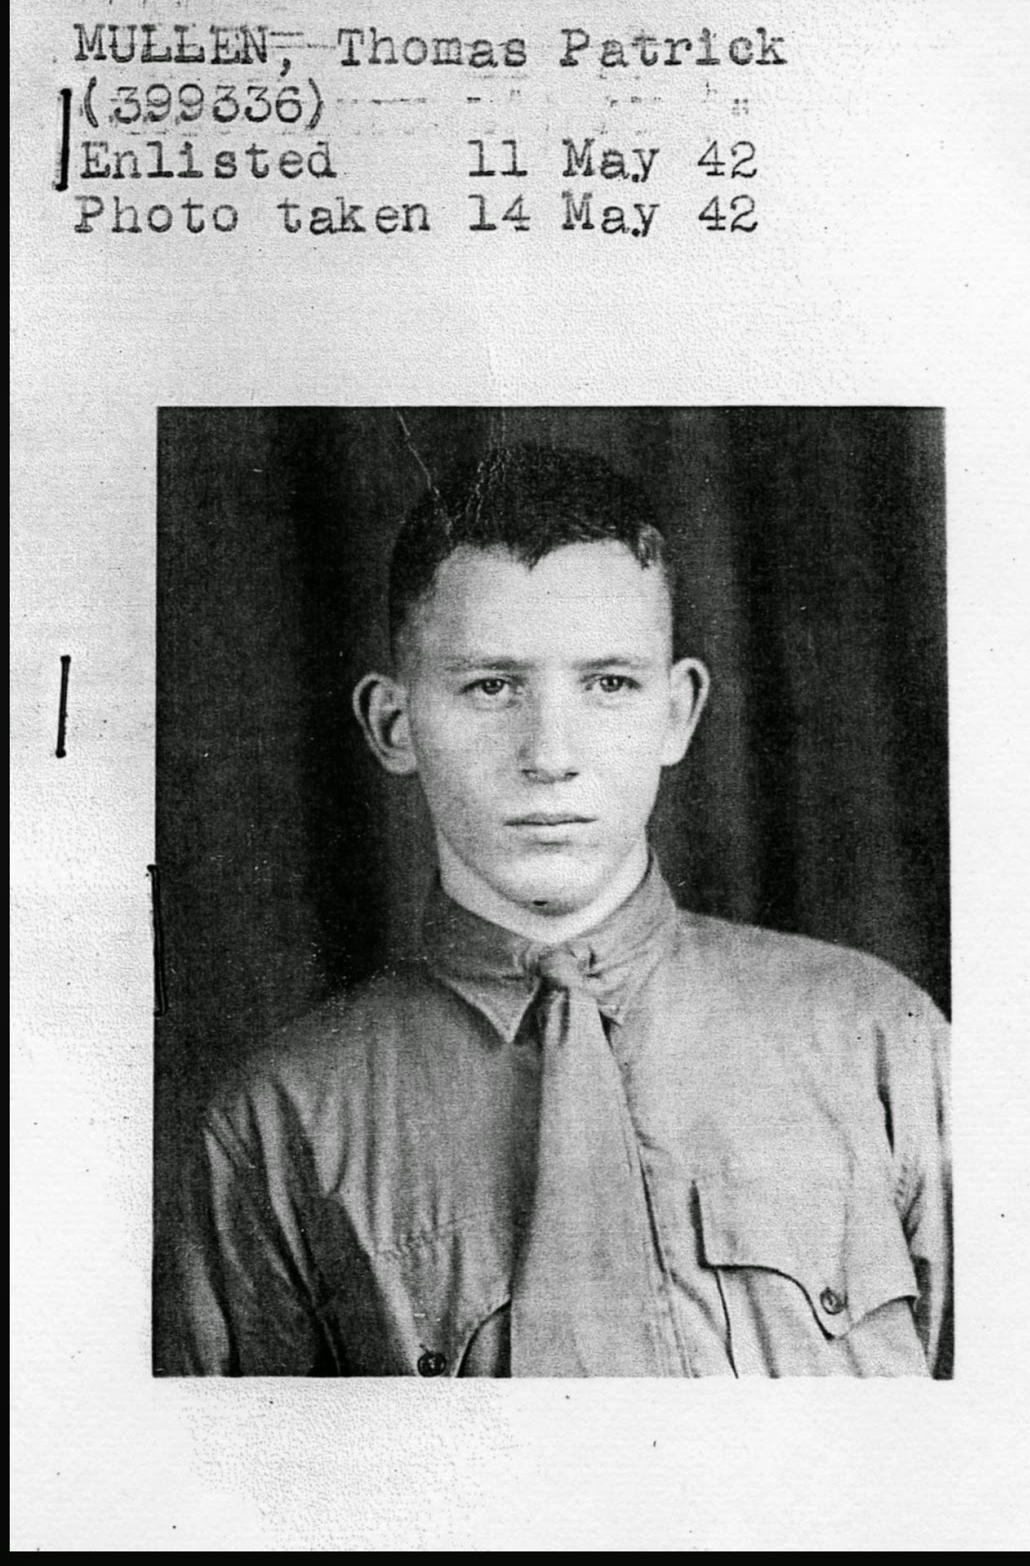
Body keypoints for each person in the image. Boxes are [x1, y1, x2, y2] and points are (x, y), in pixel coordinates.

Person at [158, 442, 952, 1378]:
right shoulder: (278, 1127)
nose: (550, 755)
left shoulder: (879, 1041)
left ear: (677, 713)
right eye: (492, 687)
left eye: (609, 684)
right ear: (393, 725)